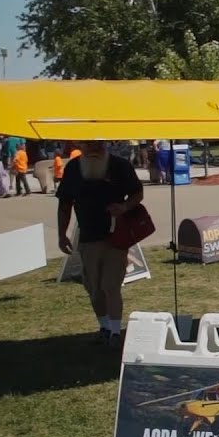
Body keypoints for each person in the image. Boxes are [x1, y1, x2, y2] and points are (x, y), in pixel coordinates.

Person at [56, 141, 144, 346]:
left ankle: (115, 332)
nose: (94, 147)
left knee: (111, 286)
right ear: (81, 146)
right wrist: (62, 234)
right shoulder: (73, 168)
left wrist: (124, 207)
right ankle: (104, 326)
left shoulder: (120, 165)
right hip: (87, 238)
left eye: (97, 143)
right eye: (88, 144)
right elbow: (64, 204)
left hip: (116, 238)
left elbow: (137, 193)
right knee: (94, 288)